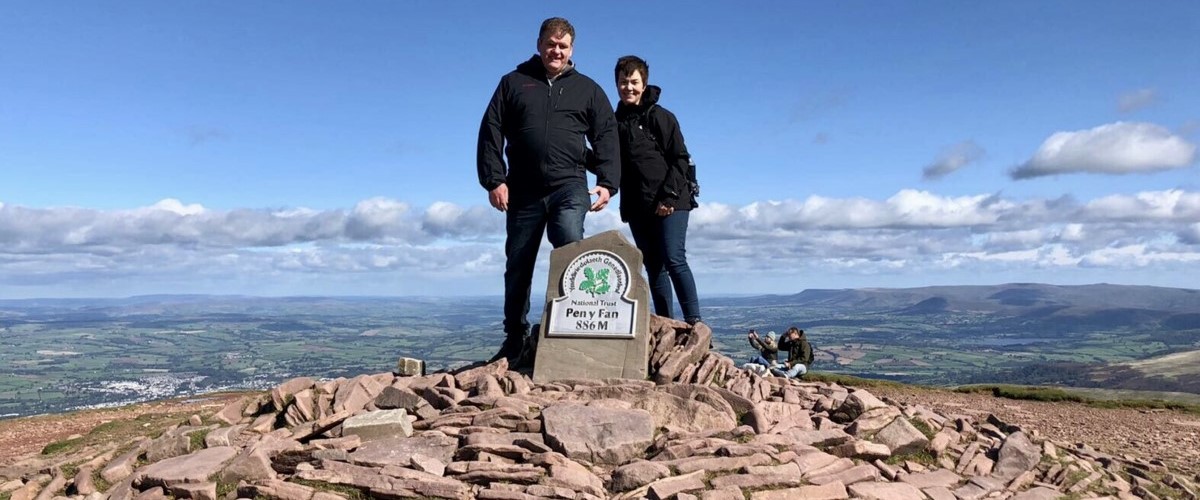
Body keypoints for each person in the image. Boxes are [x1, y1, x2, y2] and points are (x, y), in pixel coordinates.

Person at [477, 17, 620, 365]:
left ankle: (573, 331)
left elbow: (606, 135)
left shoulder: (588, 89)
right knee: (518, 263)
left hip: (569, 185)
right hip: (522, 190)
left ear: (572, 49)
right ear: (539, 44)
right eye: (551, 43)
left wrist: (606, 182)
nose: (556, 50)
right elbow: (491, 130)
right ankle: (515, 338)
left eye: (563, 45)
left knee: (570, 246)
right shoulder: (513, 83)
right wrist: (494, 179)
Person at [612, 55, 701, 325]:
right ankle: (668, 325)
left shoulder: (660, 117)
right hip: (639, 206)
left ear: (644, 83)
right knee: (654, 266)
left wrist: (668, 197)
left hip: (671, 200)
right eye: (623, 82)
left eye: (634, 82)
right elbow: (613, 163)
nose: (628, 87)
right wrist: (578, 153)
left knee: (674, 259)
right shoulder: (615, 123)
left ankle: (695, 324)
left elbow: (680, 158)